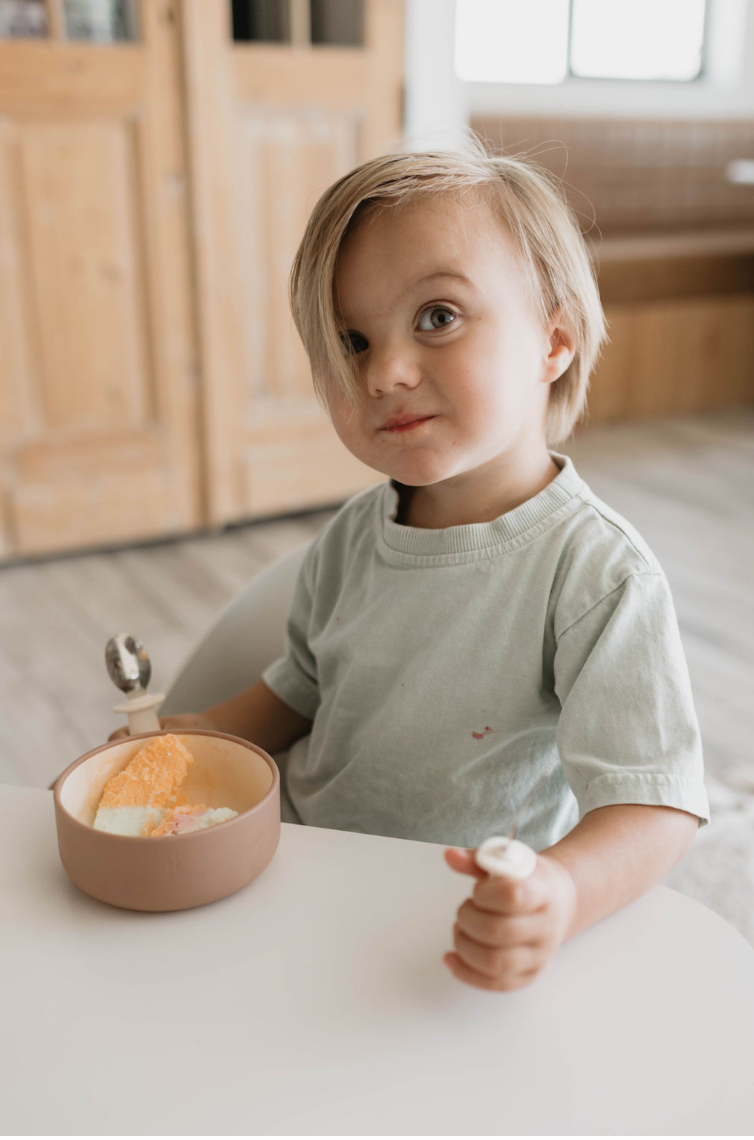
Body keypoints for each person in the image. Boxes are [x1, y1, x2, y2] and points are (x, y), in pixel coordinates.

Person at [110, 136, 710, 993]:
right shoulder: (354, 536)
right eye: (351, 340)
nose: (385, 371)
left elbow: (653, 801)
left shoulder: (595, 574)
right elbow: (299, 690)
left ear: (553, 343)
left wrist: (562, 893)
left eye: (438, 316)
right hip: (298, 869)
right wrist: (185, 741)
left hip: (446, 919)